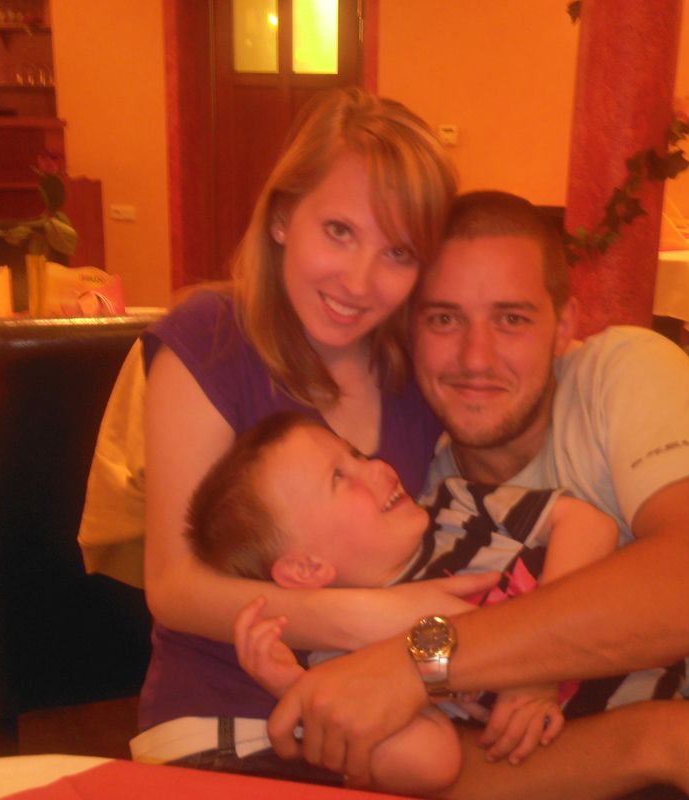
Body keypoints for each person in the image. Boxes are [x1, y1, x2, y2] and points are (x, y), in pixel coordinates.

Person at [262, 191, 689, 798]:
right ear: (410, 329)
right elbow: (459, 769)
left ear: (563, 326)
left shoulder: (618, 373)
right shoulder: (427, 507)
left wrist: (416, 662)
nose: (476, 357)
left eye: (512, 319)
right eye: (443, 319)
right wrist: (665, 740)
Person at [138, 86, 482, 784]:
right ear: (282, 216)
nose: (359, 281)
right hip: (219, 728)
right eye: (339, 231)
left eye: (397, 252)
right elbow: (174, 586)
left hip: (376, 727)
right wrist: (373, 620)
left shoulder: (416, 374)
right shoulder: (212, 338)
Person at [177, 410, 618, 795]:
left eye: (357, 454)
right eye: (339, 477)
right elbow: (434, 764)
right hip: (596, 755)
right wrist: (300, 694)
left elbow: (590, 524)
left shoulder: (457, 504)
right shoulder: (345, 658)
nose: (378, 467)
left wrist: (538, 662)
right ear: (306, 567)